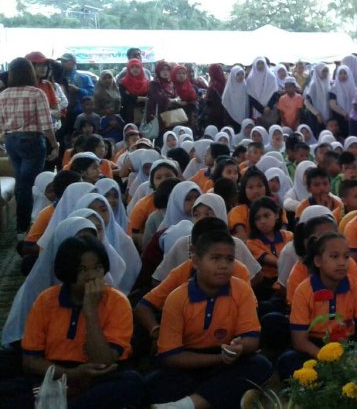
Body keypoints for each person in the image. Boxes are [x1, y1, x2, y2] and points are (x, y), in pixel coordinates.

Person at [145, 230, 272, 409]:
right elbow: (170, 356)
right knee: (153, 383)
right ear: (196, 261)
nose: (223, 265)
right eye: (215, 258)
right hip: (189, 362)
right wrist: (218, 359)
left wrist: (240, 347)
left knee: (260, 365)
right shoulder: (177, 298)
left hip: (227, 358)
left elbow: (252, 338)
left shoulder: (242, 290)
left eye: (229, 259)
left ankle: (189, 404)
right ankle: (216, 398)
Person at [16, 234, 143, 409]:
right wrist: (71, 374)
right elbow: (30, 361)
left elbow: (103, 362)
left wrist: (90, 311)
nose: (91, 276)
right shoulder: (46, 300)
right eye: (82, 270)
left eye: (97, 267)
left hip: (99, 377)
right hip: (56, 374)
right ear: (67, 272)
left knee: (131, 383)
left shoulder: (117, 302)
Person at [279, 232, 357, 379]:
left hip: (347, 345)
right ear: (318, 261)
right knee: (288, 361)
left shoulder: (355, 287)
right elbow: (300, 341)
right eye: (334, 257)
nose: (342, 263)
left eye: (346, 257)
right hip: (315, 348)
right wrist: (324, 358)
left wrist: (355, 356)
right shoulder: (304, 290)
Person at [1, 58, 61, 235]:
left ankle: (22, 224)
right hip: (32, 141)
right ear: (30, 72)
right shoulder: (36, 93)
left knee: (21, 182)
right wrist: (54, 145)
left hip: (11, 141)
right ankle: (25, 226)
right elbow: (46, 124)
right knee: (29, 184)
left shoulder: (3, 94)